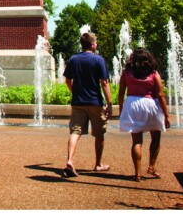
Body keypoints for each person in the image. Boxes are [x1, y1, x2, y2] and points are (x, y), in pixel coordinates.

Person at [63, 31, 113, 177]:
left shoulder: (73, 59)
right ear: (92, 45)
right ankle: (98, 164)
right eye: (95, 42)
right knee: (99, 134)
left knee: (75, 131)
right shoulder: (98, 60)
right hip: (95, 102)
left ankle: (70, 161)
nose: (96, 44)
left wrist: (75, 92)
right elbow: (104, 83)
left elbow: (67, 80)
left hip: (78, 102)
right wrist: (109, 103)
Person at [117, 47, 171, 181]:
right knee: (156, 137)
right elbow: (160, 95)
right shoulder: (153, 73)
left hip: (132, 104)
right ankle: (152, 166)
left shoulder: (126, 73)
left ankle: (137, 173)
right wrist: (166, 115)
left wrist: (122, 109)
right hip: (150, 104)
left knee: (136, 141)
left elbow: (121, 92)